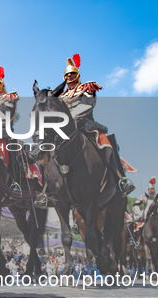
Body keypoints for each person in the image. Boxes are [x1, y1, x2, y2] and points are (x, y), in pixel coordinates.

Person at [58, 54, 135, 196]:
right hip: (65, 127)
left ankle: (121, 179)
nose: (69, 76)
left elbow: (88, 104)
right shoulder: (60, 96)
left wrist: (70, 117)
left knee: (106, 141)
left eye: (72, 73)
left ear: (77, 74)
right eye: (67, 74)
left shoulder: (87, 88)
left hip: (84, 122)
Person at [0, 66, 22, 196]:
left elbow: (7, 114)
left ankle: (14, 182)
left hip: (3, 133)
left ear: (2, 85)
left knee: (6, 154)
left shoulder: (9, 98)